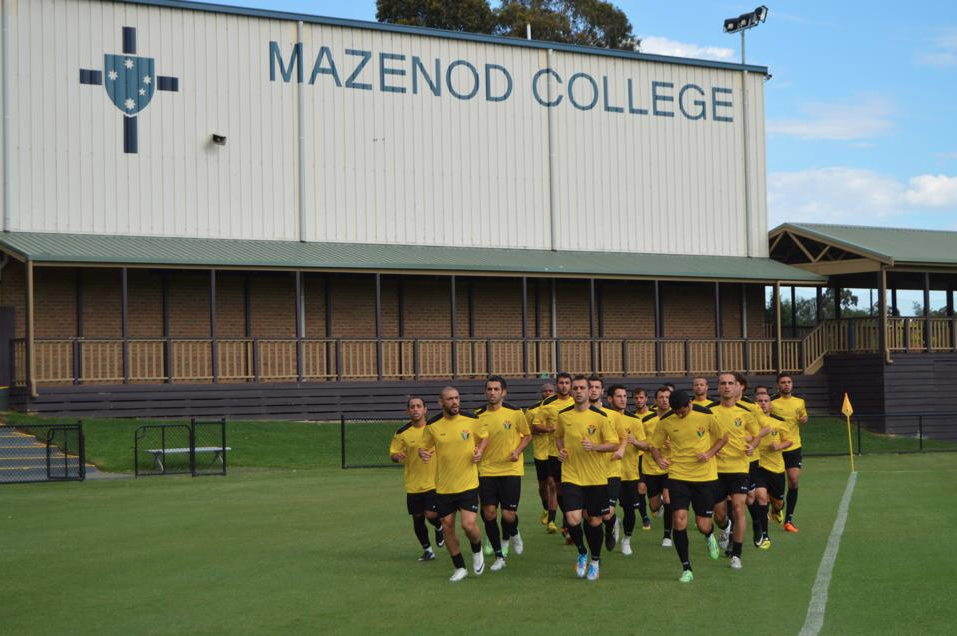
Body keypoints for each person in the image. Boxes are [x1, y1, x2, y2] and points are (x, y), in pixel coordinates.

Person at [650, 390, 728, 583]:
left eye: (683, 411)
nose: (679, 415)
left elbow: (723, 437)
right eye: (676, 412)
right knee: (679, 520)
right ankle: (686, 568)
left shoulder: (706, 415)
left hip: (704, 478)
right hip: (678, 476)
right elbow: (654, 446)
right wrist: (658, 460)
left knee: (702, 525)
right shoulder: (665, 421)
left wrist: (709, 454)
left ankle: (709, 535)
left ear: (690, 403)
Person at [418, 387, 489, 582]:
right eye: (449, 399)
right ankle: (460, 567)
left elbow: (484, 437)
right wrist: (422, 453)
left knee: (468, 525)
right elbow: (424, 447)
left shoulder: (472, 419)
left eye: (457, 398)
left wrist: (480, 450)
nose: (455, 402)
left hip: (468, 484)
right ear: (441, 402)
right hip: (444, 487)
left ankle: (477, 549)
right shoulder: (432, 425)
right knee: (447, 527)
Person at [556, 375, 620, 581]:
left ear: (589, 391)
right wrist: (561, 450)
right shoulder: (563, 416)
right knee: (573, 519)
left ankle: (595, 561)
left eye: (582, 388)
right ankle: (582, 552)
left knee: (594, 521)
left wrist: (595, 447)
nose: (578, 391)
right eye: (575, 388)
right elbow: (559, 437)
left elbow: (614, 444)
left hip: (596, 478)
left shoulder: (600, 417)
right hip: (571, 475)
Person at [477, 376, 531, 571]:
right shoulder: (477, 416)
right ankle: (499, 556)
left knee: (508, 516)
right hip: (486, 470)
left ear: (503, 392)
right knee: (489, 513)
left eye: (496, 389)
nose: (492, 392)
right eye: (489, 389)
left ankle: (513, 532)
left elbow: (527, 435)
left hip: (510, 470)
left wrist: (517, 451)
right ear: (485, 392)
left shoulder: (515, 413)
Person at [709, 373, 763, 570]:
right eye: (723, 383)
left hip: (739, 467)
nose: (727, 386)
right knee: (719, 515)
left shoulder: (746, 412)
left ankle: (737, 555)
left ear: (736, 387)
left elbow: (757, 435)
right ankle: (725, 528)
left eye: (730, 383)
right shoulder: (709, 411)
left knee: (739, 508)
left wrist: (752, 446)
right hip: (716, 469)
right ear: (718, 388)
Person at [389, 396, 445, 562]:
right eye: (412, 407)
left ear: (425, 409)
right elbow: (393, 454)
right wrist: (397, 456)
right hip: (413, 483)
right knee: (418, 518)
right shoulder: (402, 433)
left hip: (434, 481)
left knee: (431, 514)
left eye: (418, 406)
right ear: (408, 411)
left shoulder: (435, 428)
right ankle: (428, 550)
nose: (415, 409)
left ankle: (439, 526)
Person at [608, 384, 649, 556]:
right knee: (605, 511)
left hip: (629, 474)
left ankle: (626, 540)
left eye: (625, 396)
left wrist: (636, 442)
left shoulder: (635, 421)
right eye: (619, 396)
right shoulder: (604, 417)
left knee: (630, 511)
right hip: (607, 472)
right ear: (610, 399)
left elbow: (645, 445)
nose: (623, 399)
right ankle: (613, 523)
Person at [588, 375, 627, 551]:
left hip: (611, 470)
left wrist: (621, 450)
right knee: (591, 515)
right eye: (590, 386)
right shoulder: (578, 415)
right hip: (589, 472)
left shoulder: (613, 415)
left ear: (602, 391)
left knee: (607, 514)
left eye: (597, 387)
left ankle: (612, 524)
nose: (593, 390)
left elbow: (623, 437)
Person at [538, 372, 575, 541]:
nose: (564, 386)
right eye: (561, 383)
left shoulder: (577, 402)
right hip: (555, 453)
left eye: (567, 383)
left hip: (575, 454)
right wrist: (548, 429)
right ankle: (565, 519)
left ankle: (568, 523)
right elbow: (536, 425)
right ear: (556, 385)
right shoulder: (547, 403)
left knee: (572, 488)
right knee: (557, 488)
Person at [753, 392, 792, 547]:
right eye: (759, 401)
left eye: (765, 401)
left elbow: (789, 441)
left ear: (770, 404)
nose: (762, 403)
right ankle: (765, 536)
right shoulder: (750, 422)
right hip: (758, 467)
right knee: (761, 498)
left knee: (778, 503)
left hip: (776, 469)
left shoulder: (779, 422)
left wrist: (779, 446)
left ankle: (776, 511)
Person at [771, 373, 808, 533]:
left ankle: (788, 520)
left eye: (789, 382)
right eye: (783, 382)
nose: (786, 384)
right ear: (778, 385)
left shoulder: (799, 401)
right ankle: (776, 507)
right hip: (775, 449)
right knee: (774, 487)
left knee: (793, 480)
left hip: (794, 447)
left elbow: (803, 416)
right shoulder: (772, 403)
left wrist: (804, 419)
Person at [642, 387, 673, 546]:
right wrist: (649, 445)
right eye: (661, 397)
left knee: (668, 499)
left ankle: (667, 536)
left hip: (671, 466)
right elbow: (641, 442)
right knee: (654, 506)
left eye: (667, 397)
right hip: (651, 467)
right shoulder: (647, 420)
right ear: (655, 401)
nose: (664, 400)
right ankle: (657, 504)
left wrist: (673, 444)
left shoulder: (677, 418)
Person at [527, 382, 556, 530]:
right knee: (543, 487)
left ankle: (552, 519)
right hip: (540, 453)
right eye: (546, 391)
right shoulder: (532, 410)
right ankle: (545, 507)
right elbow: (527, 430)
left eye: (551, 391)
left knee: (553, 484)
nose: (548, 393)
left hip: (554, 452)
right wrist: (543, 430)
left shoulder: (559, 408)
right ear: (542, 393)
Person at [631, 387, 653, 530]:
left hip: (653, 457)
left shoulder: (654, 415)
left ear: (646, 398)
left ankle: (657, 505)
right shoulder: (631, 417)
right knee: (640, 489)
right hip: (638, 458)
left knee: (655, 498)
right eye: (636, 398)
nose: (639, 400)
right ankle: (645, 517)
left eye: (641, 397)